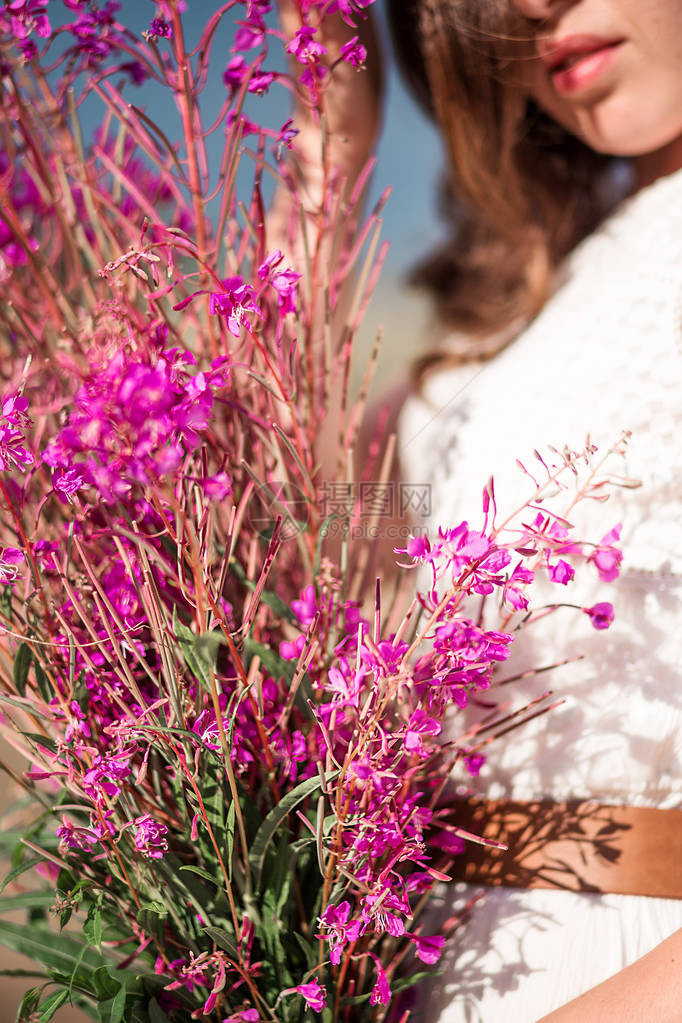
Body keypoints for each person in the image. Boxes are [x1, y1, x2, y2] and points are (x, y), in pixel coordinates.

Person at [277, 0, 682, 1018]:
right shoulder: (529, 295)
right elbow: (326, 550)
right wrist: (331, 159)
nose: (530, 5)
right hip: (434, 964)